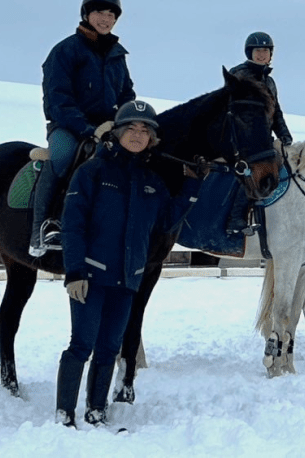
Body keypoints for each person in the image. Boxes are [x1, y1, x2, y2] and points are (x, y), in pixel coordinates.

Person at [56, 100, 203, 427]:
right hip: (91, 276)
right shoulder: (92, 172)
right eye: (131, 128)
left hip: (127, 280)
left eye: (144, 130)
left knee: (109, 348)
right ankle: (64, 413)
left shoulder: (152, 181)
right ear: (118, 132)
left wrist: (193, 185)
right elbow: (73, 225)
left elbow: (166, 221)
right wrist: (75, 272)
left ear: (151, 139)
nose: (138, 134)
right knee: (81, 345)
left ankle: (96, 410)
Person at [32, 0, 136, 257]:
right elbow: (58, 100)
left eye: (111, 14)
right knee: (63, 156)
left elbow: (127, 95)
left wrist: (125, 123)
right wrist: (89, 129)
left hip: (109, 128)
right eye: (100, 12)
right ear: (86, 14)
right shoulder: (65, 51)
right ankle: (45, 226)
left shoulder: (117, 55)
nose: (106, 18)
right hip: (68, 126)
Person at [223, 32, 294, 236]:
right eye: (257, 50)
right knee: (254, 169)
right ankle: (236, 218)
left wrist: (285, 135)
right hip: (242, 139)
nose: (262, 54)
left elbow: (276, 112)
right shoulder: (240, 75)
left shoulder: (269, 82)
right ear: (250, 53)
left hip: (263, 139)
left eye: (265, 50)